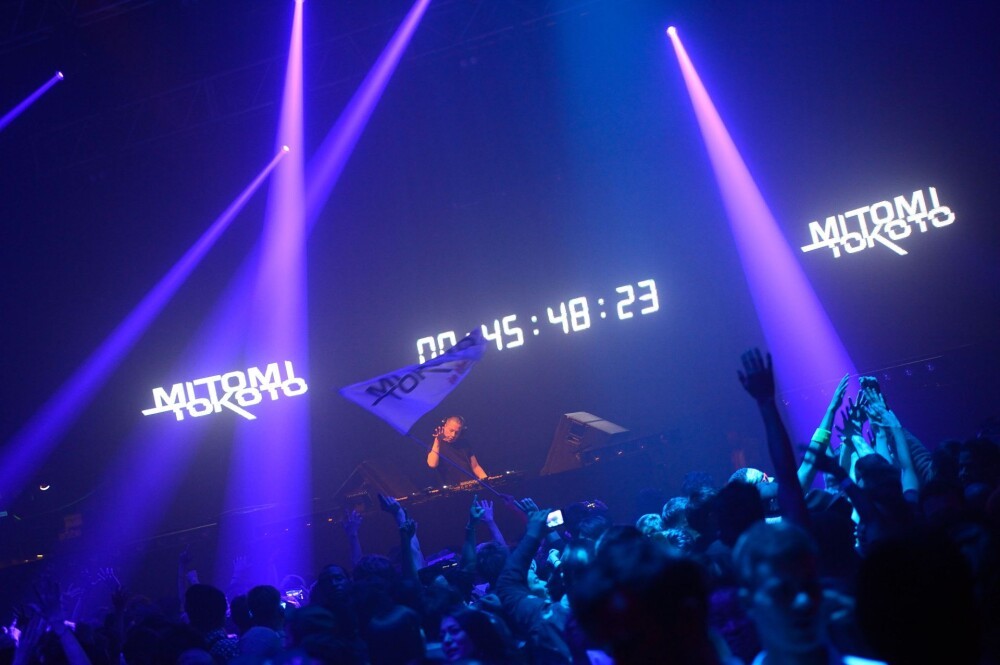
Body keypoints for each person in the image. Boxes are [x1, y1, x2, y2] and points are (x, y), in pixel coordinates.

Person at [426, 415, 488, 484]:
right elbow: (432, 464)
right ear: (444, 426)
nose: (453, 435)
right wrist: (437, 440)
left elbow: (475, 467)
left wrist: (487, 481)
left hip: (471, 484)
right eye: (451, 430)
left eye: (457, 432)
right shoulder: (435, 446)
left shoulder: (464, 443)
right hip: (452, 488)